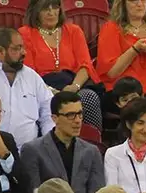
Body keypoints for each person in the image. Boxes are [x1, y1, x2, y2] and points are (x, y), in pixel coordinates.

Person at [19, 0, 104, 131]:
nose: (51, 12)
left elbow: (85, 65)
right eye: (45, 9)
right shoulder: (26, 33)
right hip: (42, 87)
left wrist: (74, 87)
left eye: (55, 7)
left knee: (89, 97)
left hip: (73, 84)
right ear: (35, 11)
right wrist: (52, 91)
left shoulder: (73, 31)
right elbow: (28, 72)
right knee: (52, 103)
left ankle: (91, 143)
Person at [20, 91, 107, 193]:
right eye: (71, 115)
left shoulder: (92, 151)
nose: (77, 121)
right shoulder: (32, 150)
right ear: (55, 118)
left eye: (80, 114)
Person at [97, 0, 146, 125]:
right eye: (134, 0)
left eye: (144, 0)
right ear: (123, 4)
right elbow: (112, 72)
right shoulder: (111, 29)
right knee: (140, 110)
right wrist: (134, 49)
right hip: (122, 90)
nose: (140, 4)